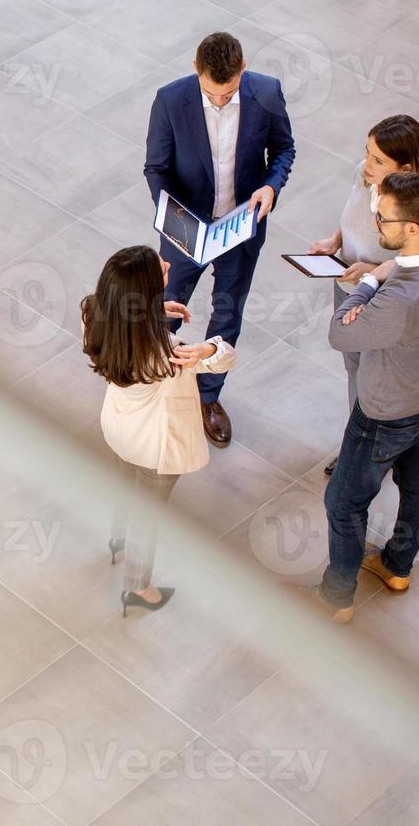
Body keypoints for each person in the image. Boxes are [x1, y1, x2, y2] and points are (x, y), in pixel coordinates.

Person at [309, 173, 419, 622]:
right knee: (417, 480)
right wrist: (390, 267)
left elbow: (340, 333)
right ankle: (397, 566)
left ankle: (336, 598)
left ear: (413, 228)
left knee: (343, 503)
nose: (375, 224)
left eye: (382, 219)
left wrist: (369, 283)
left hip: (383, 412)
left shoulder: (399, 300)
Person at [144, 32, 296, 448]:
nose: (221, 101)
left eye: (228, 94)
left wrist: (271, 187)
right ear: (197, 71)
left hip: (240, 230)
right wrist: (173, 219)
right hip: (185, 231)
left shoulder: (266, 92)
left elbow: (283, 150)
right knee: (165, 310)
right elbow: (156, 169)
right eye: (213, 94)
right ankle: (154, 386)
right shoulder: (172, 99)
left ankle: (207, 398)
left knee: (227, 314)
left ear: (243, 70)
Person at [82, 246, 237, 616]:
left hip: (118, 429)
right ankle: (138, 588)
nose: (168, 265)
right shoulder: (170, 353)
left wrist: (154, 311)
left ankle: (118, 541)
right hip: (155, 446)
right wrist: (207, 348)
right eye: (161, 270)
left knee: (124, 486)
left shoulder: (93, 313)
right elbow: (225, 356)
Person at [308, 115, 419, 476]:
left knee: (374, 375)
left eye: (378, 160)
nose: (367, 164)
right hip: (347, 282)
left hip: (379, 296)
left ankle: (369, 453)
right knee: (353, 364)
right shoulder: (364, 175)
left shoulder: (418, 206)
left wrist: (374, 273)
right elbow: (352, 213)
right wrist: (336, 240)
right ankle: (357, 445)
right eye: (367, 152)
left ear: (405, 168)